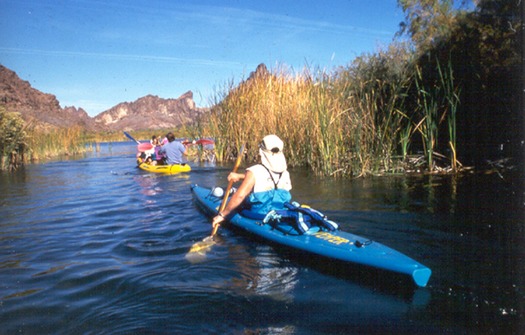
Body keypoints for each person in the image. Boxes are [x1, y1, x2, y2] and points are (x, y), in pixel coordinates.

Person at [212, 134, 292, 232]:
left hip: (259, 215)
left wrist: (222, 215)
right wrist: (240, 176)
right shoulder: (285, 172)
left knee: (238, 202)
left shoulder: (255, 171)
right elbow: (268, 180)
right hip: (279, 212)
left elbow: (240, 196)